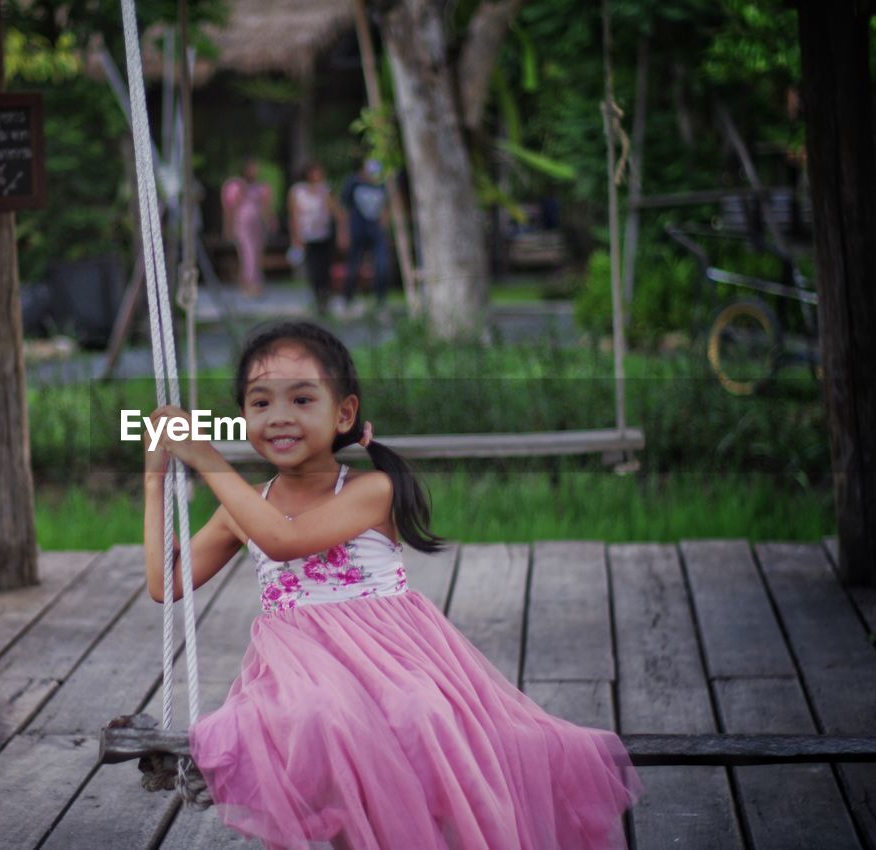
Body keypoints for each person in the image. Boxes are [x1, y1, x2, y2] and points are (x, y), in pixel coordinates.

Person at [142, 320, 642, 849]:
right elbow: (164, 584)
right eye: (260, 403)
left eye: (302, 399)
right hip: (300, 667)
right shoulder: (243, 508)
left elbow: (286, 540)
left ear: (344, 413)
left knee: (417, 715)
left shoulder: (370, 490)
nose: (280, 417)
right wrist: (155, 479)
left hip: (393, 657)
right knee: (315, 719)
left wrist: (208, 460)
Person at [338, 157, 391, 318]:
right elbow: (343, 209)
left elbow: (386, 208)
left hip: (376, 232)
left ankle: (380, 301)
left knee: (382, 266)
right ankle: (348, 299)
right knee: (353, 267)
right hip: (356, 231)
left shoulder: (382, 184)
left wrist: (385, 227)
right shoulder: (352, 183)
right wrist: (343, 232)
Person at [287, 162, 340, 315]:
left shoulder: (326, 189)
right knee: (314, 269)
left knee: (325, 268)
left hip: (325, 235)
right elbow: (293, 215)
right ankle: (318, 296)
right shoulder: (297, 191)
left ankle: (326, 296)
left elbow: (335, 210)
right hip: (307, 236)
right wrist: (295, 236)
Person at [221, 159, 275, 298]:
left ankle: (255, 282)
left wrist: (270, 221)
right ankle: (249, 283)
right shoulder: (236, 185)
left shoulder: (260, 187)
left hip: (257, 224)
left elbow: (265, 206)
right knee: (247, 253)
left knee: (256, 254)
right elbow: (230, 208)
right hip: (242, 224)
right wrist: (228, 227)